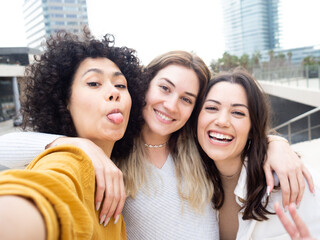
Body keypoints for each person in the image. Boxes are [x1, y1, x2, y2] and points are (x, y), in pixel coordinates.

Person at [0, 50, 315, 239]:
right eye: (164, 88)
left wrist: (276, 142)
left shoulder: (199, 151)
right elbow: (7, 149)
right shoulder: (115, 150)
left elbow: (237, 142)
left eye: (187, 99)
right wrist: (82, 146)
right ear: (143, 86)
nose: (171, 105)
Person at [0, 29, 143, 239]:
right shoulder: (67, 162)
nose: (114, 92)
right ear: (64, 100)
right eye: (94, 83)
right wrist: (75, 145)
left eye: (121, 84)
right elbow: (41, 196)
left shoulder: (118, 163)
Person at [195, 69, 320, 239]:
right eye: (211, 108)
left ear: (253, 128)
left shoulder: (294, 181)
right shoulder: (187, 181)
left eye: (238, 112)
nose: (222, 121)